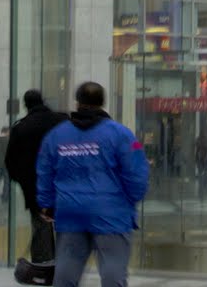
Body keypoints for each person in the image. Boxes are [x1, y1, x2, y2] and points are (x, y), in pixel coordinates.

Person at [36, 81, 150, 287]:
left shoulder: (56, 136)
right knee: (113, 275)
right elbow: (137, 173)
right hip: (111, 215)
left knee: (65, 276)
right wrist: (130, 201)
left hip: (70, 214)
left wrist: (47, 203)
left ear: (78, 103)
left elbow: (44, 170)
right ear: (102, 103)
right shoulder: (121, 134)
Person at [6, 89, 71, 272]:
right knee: (65, 227)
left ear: (26, 105)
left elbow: (10, 161)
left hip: (34, 187)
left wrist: (23, 181)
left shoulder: (21, 127)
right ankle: (67, 266)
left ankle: (43, 267)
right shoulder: (62, 121)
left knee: (40, 228)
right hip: (63, 184)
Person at [194, 129, 207, 200]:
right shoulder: (201, 140)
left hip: (203, 160)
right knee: (203, 176)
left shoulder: (204, 140)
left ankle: (204, 188)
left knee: (203, 176)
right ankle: (203, 188)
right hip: (202, 160)